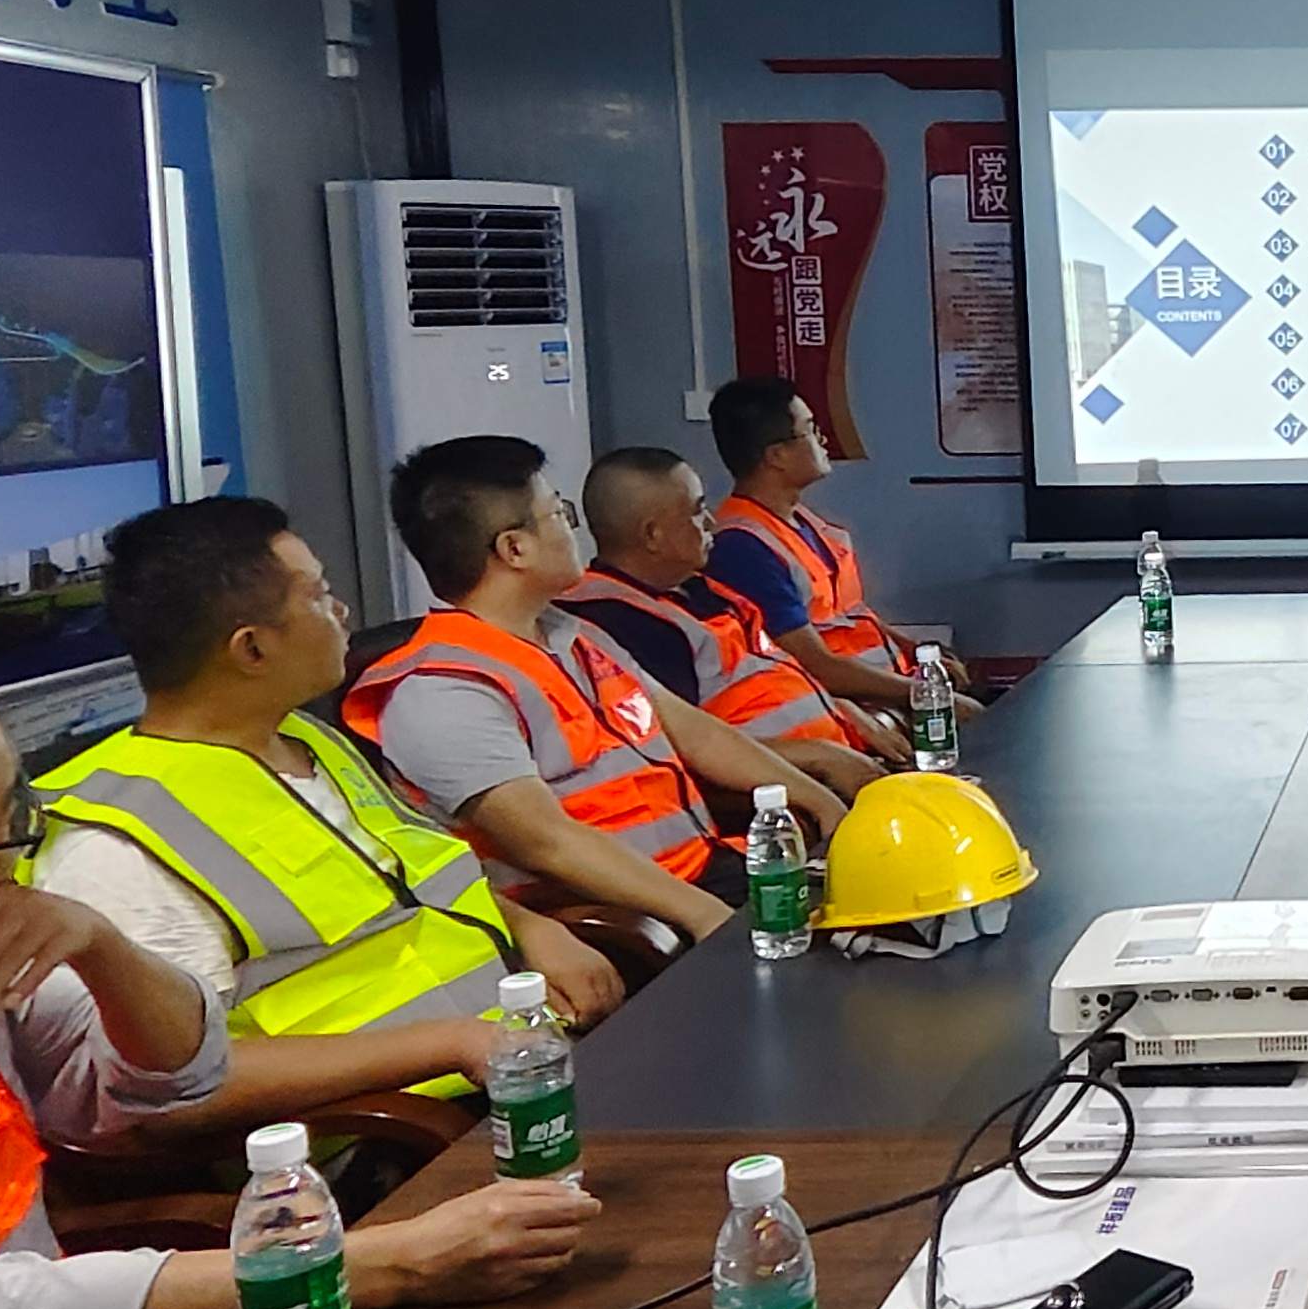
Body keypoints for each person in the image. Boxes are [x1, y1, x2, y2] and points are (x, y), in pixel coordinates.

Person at [0, 687, 599, 1309]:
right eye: (9, 831)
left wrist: (100, 945)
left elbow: (174, 1075)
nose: (22, 854)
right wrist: (389, 1263)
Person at [29, 499, 625, 1095]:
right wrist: (453, 1043)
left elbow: (412, 890)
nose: (342, 611)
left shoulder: (304, 739)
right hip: (407, 1126)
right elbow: (173, 1085)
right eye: (318, 595)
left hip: (523, 1056)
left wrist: (530, 928)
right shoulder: (119, 842)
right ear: (251, 649)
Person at [343, 436, 848, 942]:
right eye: (558, 514)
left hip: (709, 869)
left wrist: (823, 803)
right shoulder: (444, 692)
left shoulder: (574, 636)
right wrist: (709, 918)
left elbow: (699, 734)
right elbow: (547, 843)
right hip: (641, 921)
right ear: (514, 549)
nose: (573, 529)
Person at [568, 447, 904, 799]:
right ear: (653, 535)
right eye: (696, 511)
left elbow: (770, 678)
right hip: (790, 793)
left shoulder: (698, 588)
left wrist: (841, 709)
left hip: (838, 758)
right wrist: (821, 757)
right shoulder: (621, 623)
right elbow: (687, 750)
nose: (711, 522)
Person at [705, 377, 982, 724]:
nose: (823, 440)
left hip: (889, 692)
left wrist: (919, 655)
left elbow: (853, 616)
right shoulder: (743, 547)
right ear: (776, 456)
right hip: (855, 713)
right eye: (810, 429)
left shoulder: (803, 522)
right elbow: (816, 664)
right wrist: (927, 694)